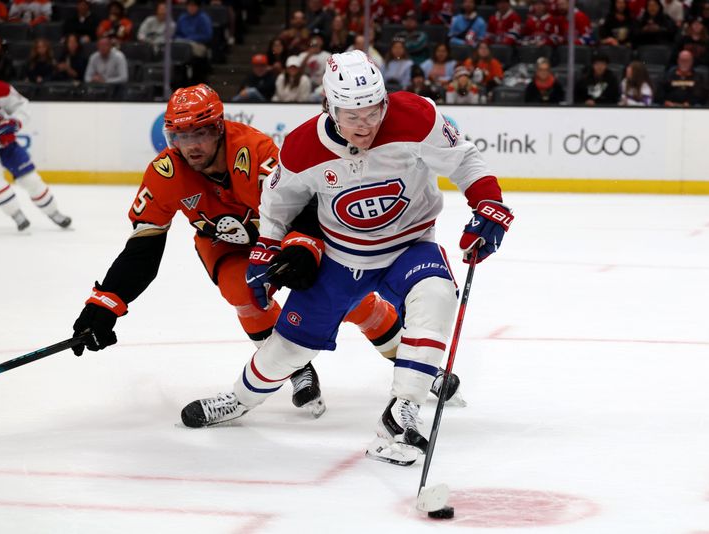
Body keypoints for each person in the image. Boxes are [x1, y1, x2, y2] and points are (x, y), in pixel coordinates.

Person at [181, 52, 508, 468]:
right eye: (352, 114)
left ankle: (402, 409)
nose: (365, 123)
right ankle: (239, 400)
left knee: (437, 293)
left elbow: (463, 158)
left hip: (409, 244)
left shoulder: (415, 117)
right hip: (341, 256)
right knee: (288, 350)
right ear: (329, 106)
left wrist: (489, 204)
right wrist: (266, 248)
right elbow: (278, 201)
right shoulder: (302, 147)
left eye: (373, 110)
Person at [69, 84, 406, 419]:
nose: (192, 146)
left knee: (342, 294)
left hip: (280, 231)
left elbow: (304, 202)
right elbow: (143, 249)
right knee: (239, 289)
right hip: (222, 244)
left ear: (218, 127)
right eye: (181, 136)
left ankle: (408, 361)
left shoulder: (253, 149)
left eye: (199, 133)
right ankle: (294, 366)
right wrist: (107, 302)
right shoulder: (164, 173)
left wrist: (303, 246)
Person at [0, 81, 71, 231]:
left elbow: (22, 105)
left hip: (7, 144)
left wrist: (15, 122)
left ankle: (54, 212)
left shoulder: (0, 88)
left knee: (31, 180)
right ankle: (17, 215)